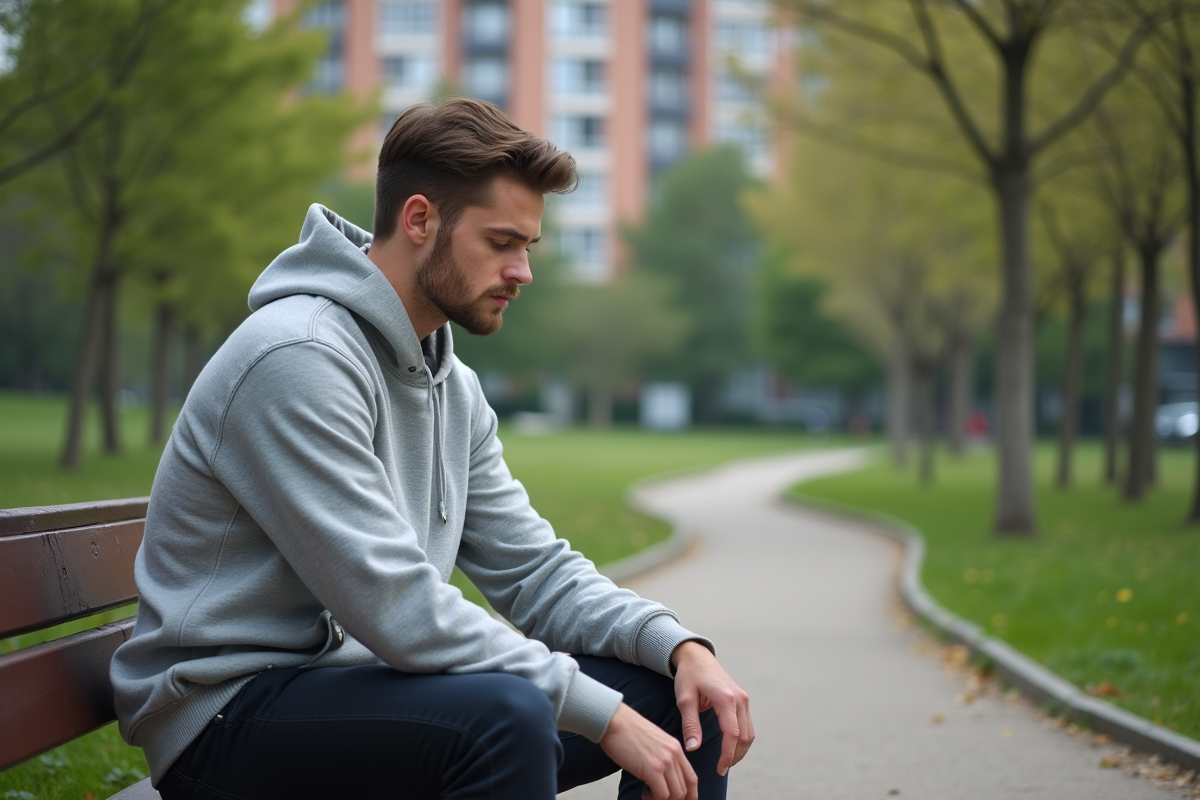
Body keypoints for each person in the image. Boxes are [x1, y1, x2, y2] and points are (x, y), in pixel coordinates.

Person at [111, 98, 753, 800]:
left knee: (688, 701)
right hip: (227, 717)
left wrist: (676, 644)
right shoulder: (296, 357)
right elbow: (398, 606)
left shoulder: (453, 384)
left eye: (527, 248)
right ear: (420, 220)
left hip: (359, 692)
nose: (523, 272)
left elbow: (535, 571)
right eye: (502, 242)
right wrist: (602, 717)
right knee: (507, 719)